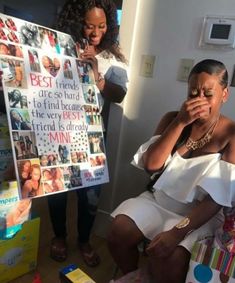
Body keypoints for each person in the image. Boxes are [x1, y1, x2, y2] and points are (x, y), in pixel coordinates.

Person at [107, 59, 235, 283]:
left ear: (224, 94)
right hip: (159, 200)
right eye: (193, 93)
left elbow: (215, 200)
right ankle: (134, 276)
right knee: (119, 230)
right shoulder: (172, 118)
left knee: (171, 257)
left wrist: (177, 232)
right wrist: (179, 122)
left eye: (208, 94)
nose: (199, 100)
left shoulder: (232, 133)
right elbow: (151, 166)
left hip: (198, 215)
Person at [48, 0, 128, 267]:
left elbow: (119, 94)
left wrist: (98, 76)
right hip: (58, 131)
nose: (95, 33)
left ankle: (84, 240)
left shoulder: (111, 56)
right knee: (56, 190)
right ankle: (59, 236)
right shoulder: (57, 47)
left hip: (93, 135)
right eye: (89, 26)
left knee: (91, 196)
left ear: (110, 25)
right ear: (76, 22)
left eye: (102, 26)